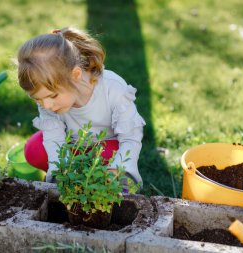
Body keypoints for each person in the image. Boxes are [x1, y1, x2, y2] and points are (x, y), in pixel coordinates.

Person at [16, 27, 146, 185]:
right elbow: (54, 138)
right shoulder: (47, 97)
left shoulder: (113, 88)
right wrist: (62, 170)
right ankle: (70, 179)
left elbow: (130, 137)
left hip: (105, 145)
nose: (47, 105)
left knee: (105, 158)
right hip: (72, 146)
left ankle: (108, 181)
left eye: (52, 96)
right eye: (38, 100)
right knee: (34, 149)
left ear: (75, 75)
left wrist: (118, 168)